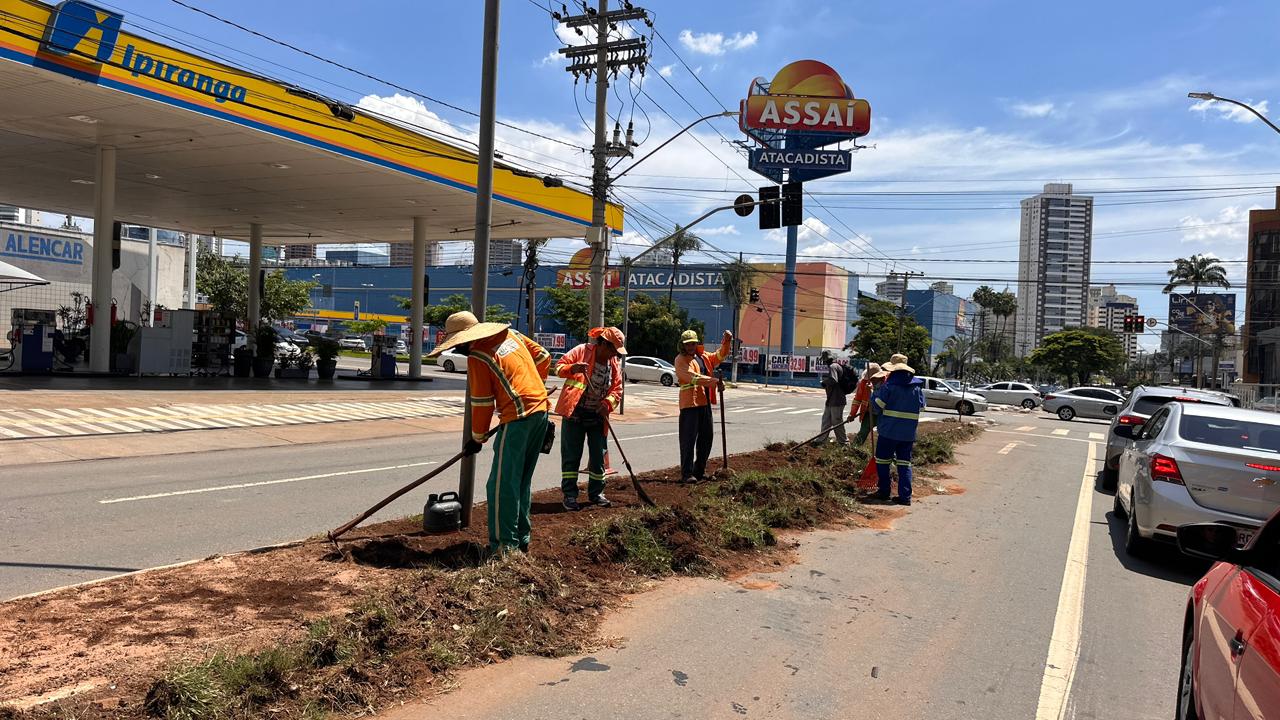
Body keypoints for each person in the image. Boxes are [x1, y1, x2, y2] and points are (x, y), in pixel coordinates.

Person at [428, 310, 551, 554]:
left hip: (517, 418)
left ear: (465, 339)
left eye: (457, 344)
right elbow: (543, 357)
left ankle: (503, 548)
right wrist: (534, 387)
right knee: (521, 481)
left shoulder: (478, 357)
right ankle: (521, 540)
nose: (458, 350)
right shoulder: (512, 335)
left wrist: (478, 438)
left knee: (500, 486)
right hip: (540, 412)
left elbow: (482, 402)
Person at [554, 326, 627, 510]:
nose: (614, 355)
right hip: (575, 414)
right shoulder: (581, 351)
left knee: (598, 456)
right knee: (571, 456)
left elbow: (617, 389)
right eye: (612, 350)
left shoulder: (613, 364)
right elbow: (558, 367)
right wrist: (574, 368)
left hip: (597, 416)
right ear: (603, 343)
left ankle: (596, 493)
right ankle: (570, 495)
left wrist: (607, 404)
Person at [674, 328, 733, 482]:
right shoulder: (680, 360)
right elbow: (691, 377)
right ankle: (687, 474)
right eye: (688, 344)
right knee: (688, 441)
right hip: (689, 406)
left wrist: (726, 342)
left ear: (697, 343)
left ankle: (699, 471)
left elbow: (719, 356)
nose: (691, 347)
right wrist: (715, 382)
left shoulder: (703, 356)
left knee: (706, 438)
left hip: (704, 404)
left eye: (693, 343)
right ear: (682, 345)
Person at [870, 353, 926, 505]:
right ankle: (905, 497)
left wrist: (874, 392)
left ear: (893, 370)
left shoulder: (889, 386)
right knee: (904, 464)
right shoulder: (917, 388)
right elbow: (922, 407)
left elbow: (877, 406)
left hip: (888, 431)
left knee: (882, 462)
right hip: (908, 434)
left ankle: (884, 491)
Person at [815, 352, 850, 445]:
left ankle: (844, 442)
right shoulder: (836, 366)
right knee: (826, 420)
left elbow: (834, 380)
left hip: (837, 400)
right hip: (831, 399)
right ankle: (821, 440)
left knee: (837, 421)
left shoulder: (833, 367)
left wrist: (824, 382)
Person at [848, 362, 885, 446]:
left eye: (874, 378)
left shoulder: (886, 383)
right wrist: (852, 414)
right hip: (869, 413)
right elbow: (857, 400)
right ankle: (854, 449)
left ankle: (885, 454)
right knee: (863, 431)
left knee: (884, 434)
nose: (872, 380)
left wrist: (871, 392)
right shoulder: (863, 383)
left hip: (882, 413)